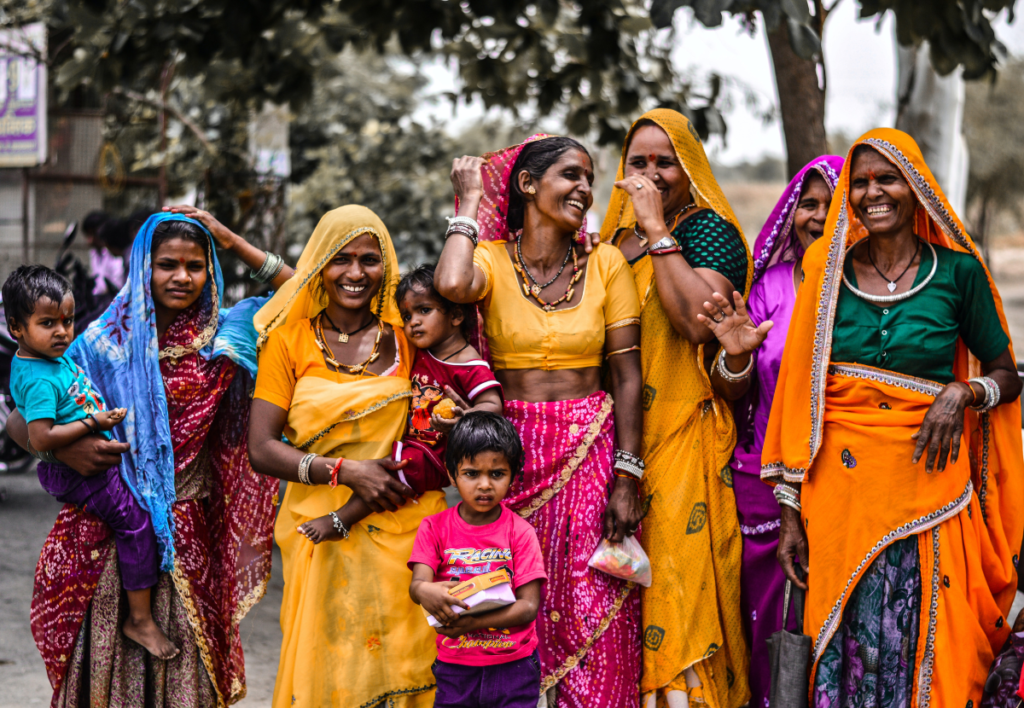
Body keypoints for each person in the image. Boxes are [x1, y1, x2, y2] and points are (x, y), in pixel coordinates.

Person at [763, 129, 1023, 705]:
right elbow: (797, 393)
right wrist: (789, 513)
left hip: (930, 492)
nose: (872, 192)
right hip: (839, 501)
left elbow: (1008, 374)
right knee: (843, 649)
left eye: (887, 178)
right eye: (859, 182)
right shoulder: (824, 272)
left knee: (924, 651)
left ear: (917, 187)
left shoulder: (959, 274)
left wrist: (963, 393)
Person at [7, 211, 285, 705]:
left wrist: (231, 239)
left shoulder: (230, 335)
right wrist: (67, 445)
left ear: (211, 269)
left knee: (186, 669)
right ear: (142, 268)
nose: (181, 277)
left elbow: (307, 293)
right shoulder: (101, 342)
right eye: (166, 265)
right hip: (108, 532)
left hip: (187, 536)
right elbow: (19, 422)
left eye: (196, 265)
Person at [436, 134, 645, 707]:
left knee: (593, 604)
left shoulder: (605, 264)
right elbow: (452, 285)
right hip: (510, 457)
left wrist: (627, 476)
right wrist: (468, 202)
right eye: (570, 175)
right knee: (505, 597)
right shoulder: (492, 259)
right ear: (527, 184)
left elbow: (626, 376)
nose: (584, 188)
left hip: (591, 454)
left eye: (589, 178)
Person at [247, 205, 444, 707]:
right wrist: (345, 470)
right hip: (319, 530)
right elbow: (262, 448)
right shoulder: (288, 341)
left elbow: (438, 417)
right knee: (329, 663)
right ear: (319, 264)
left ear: (387, 266)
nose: (356, 273)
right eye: (341, 259)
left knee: (404, 663)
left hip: (405, 530)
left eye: (369, 260)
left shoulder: (410, 336)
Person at [598, 108, 752, 708]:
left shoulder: (709, 231)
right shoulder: (606, 245)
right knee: (615, 604)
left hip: (683, 439)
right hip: (608, 445)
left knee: (681, 595)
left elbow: (695, 322)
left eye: (668, 162)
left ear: (690, 170)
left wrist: (656, 227)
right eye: (640, 162)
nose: (652, 173)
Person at [697, 155, 844, 707]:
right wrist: (734, 358)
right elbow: (738, 388)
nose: (819, 216)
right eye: (809, 204)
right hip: (761, 479)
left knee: (838, 623)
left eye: (833, 205)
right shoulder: (773, 286)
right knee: (769, 629)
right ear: (790, 212)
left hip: (842, 478)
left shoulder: (863, 291)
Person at [3, 264, 175, 660]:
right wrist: (93, 423)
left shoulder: (51, 356)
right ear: (16, 327)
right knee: (135, 524)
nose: (63, 331)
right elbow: (37, 432)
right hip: (84, 474)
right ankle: (140, 619)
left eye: (67, 321)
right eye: (48, 323)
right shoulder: (42, 374)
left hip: (91, 463)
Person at [298, 263, 503, 544]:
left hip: (434, 453)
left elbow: (493, 404)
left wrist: (465, 419)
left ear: (456, 316)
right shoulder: (423, 352)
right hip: (415, 443)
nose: (413, 322)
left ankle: (341, 520)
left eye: (424, 311)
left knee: (389, 475)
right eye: (407, 316)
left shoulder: (468, 363)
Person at [409, 411, 547, 708]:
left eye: (497, 474)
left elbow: (528, 607)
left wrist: (469, 624)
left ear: (513, 473)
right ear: (451, 473)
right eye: (471, 473)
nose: (484, 485)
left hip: (515, 667)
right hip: (456, 668)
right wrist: (424, 591)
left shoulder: (520, 532)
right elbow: (417, 585)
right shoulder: (433, 528)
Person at [83, 210, 125, 295]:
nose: (90, 241)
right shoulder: (94, 253)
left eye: (92, 234)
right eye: (87, 235)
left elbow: (117, 286)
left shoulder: (114, 254)